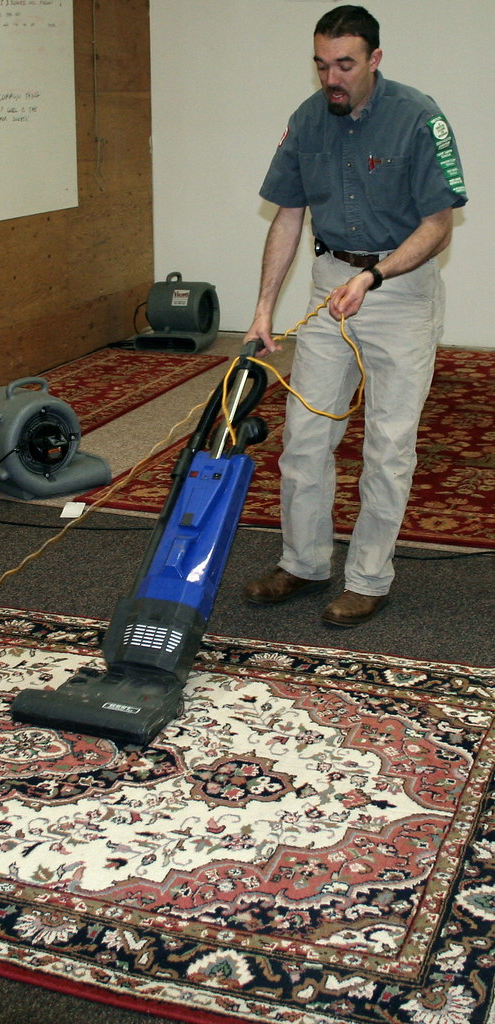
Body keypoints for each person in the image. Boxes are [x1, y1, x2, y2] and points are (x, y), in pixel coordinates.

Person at [243, 4, 467, 626]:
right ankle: (304, 562)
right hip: (330, 283)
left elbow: (438, 224)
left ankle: (369, 577)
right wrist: (264, 307)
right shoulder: (307, 120)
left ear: (374, 59)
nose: (331, 78)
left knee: (388, 444)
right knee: (306, 436)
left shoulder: (418, 118)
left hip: (400, 289)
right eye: (321, 65)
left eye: (344, 64)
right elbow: (288, 213)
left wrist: (374, 275)